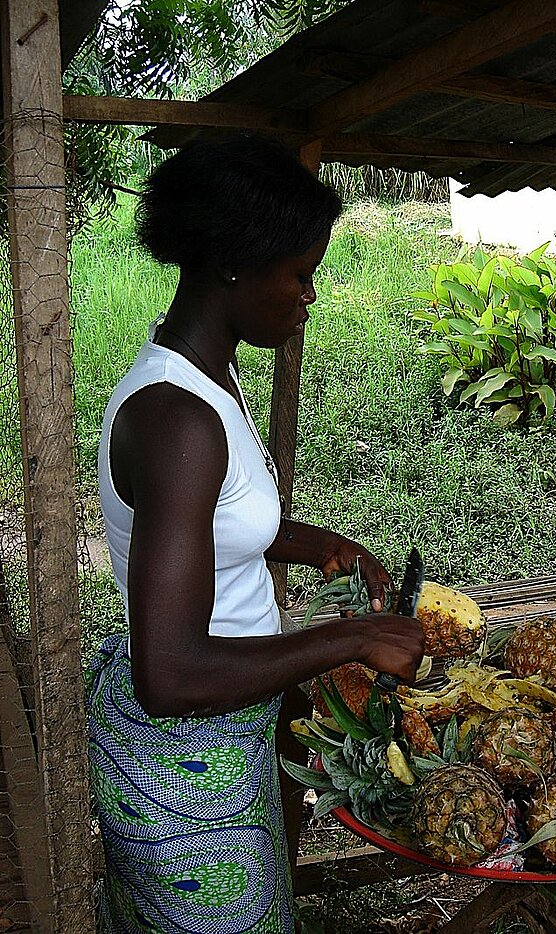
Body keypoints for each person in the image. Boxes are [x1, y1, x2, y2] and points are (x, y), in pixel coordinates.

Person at [87, 133, 425, 934]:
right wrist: (353, 639)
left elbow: (216, 520)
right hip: (185, 757)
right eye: (302, 273)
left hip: (223, 729)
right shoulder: (178, 421)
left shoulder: (206, 373)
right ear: (234, 264)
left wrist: (316, 544)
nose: (310, 295)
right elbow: (167, 674)